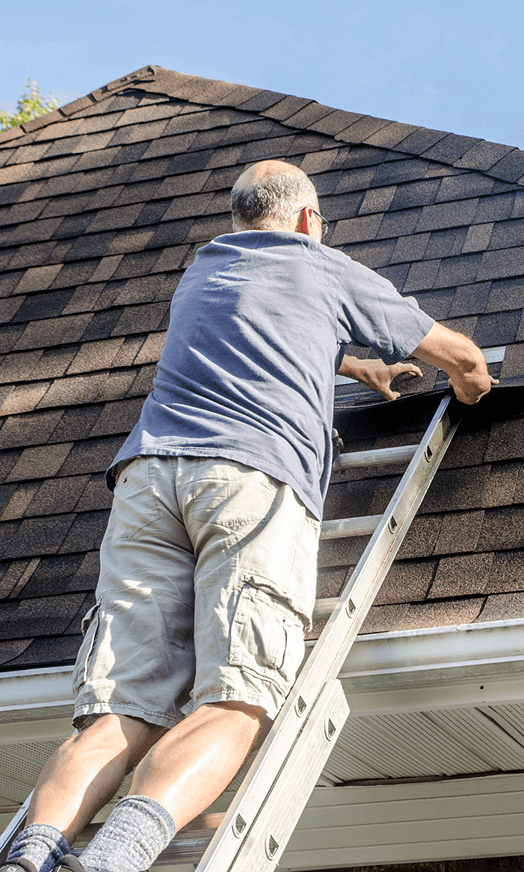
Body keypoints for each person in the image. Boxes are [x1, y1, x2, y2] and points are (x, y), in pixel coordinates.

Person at [1, 160, 497, 872]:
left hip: (147, 484)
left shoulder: (204, 271)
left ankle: (33, 854)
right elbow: (458, 354)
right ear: (307, 221)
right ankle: (112, 862)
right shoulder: (321, 266)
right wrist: (474, 388)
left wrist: (355, 368)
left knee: (121, 712)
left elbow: (260, 332)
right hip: (246, 481)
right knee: (237, 700)